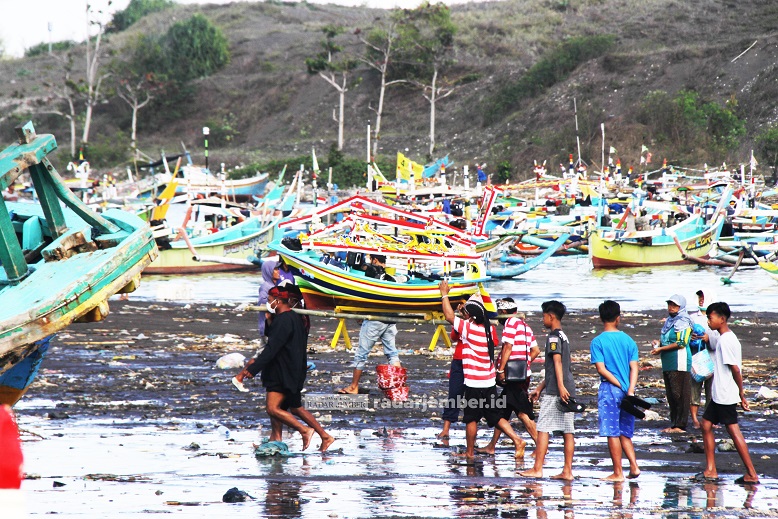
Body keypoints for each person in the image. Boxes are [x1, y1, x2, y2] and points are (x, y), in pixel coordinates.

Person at [232, 284, 334, 452]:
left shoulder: (285, 320)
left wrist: (253, 369)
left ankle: (305, 430)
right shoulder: (291, 318)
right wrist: (269, 320)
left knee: (273, 408)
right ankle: (320, 436)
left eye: (270, 300)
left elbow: (272, 348)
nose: (268, 303)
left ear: (278, 301)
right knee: (292, 407)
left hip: (283, 371)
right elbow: (276, 339)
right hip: (290, 369)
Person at [438, 280, 526, 459]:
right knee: (494, 415)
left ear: (471, 316)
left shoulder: (469, 329)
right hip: (488, 380)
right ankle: (517, 440)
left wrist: (444, 294)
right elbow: (468, 317)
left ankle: (470, 453)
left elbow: (448, 316)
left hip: (474, 382)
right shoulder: (487, 328)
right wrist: (467, 311)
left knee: (471, 418)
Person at [698, 302, 759, 485]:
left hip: (725, 394)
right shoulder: (727, 337)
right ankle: (711, 469)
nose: (709, 321)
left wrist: (741, 393)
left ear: (722, 319)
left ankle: (751, 473)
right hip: (721, 393)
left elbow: (735, 369)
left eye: (711, 317)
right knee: (706, 424)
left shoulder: (725, 341)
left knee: (733, 430)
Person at [520, 300, 576, 480]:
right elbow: (557, 367)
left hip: (557, 389)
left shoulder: (553, 337)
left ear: (551, 316)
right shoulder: (564, 336)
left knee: (543, 427)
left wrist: (558, 387)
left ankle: (537, 468)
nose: (543, 319)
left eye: (544, 315)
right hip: (567, 386)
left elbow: (557, 361)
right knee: (568, 430)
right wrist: (539, 387)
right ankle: (567, 471)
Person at [476, 297, 539, 455]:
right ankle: (491, 446)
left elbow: (507, 347)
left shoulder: (511, 323)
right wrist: (525, 365)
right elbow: (535, 350)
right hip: (523, 375)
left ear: (503, 311)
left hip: (513, 377)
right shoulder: (525, 326)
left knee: (522, 412)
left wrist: (501, 369)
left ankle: (541, 446)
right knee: (503, 410)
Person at [590, 300, 641, 481]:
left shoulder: (598, 341)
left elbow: (601, 369)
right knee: (624, 431)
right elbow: (634, 367)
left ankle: (618, 472)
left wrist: (618, 384)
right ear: (618, 318)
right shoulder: (628, 340)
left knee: (612, 431)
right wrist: (630, 388)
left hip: (610, 389)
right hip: (628, 391)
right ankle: (634, 466)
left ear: (601, 318)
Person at [338, 255, 400, 394]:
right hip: (391, 319)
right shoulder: (392, 277)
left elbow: (367, 294)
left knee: (361, 354)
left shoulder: (373, 273)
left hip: (375, 319)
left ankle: (354, 386)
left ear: (375, 260)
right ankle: (398, 388)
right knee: (392, 353)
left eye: (370, 259)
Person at [436, 295, 480, 442]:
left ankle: (450, 430)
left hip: (468, 363)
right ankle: (446, 429)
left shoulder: (477, 326)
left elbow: (455, 334)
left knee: (468, 398)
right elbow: (454, 336)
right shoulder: (476, 325)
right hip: (462, 362)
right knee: (455, 395)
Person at [232, 260, 280, 392]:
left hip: (272, 326)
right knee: (262, 355)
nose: (278, 271)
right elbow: (263, 304)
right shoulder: (266, 286)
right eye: (275, 269)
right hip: (267, 327)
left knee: (268, 355)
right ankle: (239, 377)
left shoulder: (275, 285)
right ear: (269, 271)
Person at [651, 294, 693, 433]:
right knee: (671, 393)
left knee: (679, 393)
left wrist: (661, 348)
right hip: (668, 361)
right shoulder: (669, 321)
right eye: (669, 304)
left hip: (679, 361)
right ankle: (674, 423)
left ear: (681, 307)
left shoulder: (684, 320)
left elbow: (682, 342)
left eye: (674, 305)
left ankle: (680, 425)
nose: (671, 307)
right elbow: (666, 339)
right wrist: (658, 343)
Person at [688, 288, 717, 429]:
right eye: (699, 297)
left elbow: (719, 339)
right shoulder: (692, 317)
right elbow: (686, 334)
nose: (701, 299)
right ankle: (694, 420)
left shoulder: (716, 316)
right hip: (696, 359)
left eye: (703, 297)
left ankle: (709, 419)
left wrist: (708, 338)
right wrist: (691, 338)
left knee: (711, 392)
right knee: (694, 391)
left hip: (712, 360)